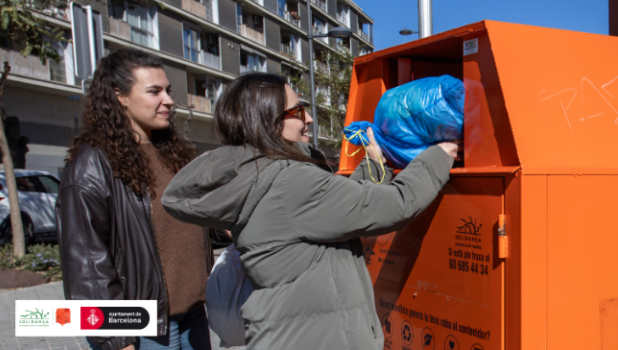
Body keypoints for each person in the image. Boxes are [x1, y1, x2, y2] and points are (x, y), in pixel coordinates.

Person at [161, 73, 458, 350]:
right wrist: (437, 156)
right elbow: (398, 204)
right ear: (269, 121)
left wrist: (372, 164)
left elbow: (334, 209)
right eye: (298, 110)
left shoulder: (259, 176)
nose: (310, 119)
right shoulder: (288, 180)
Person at [56, 49, 212, 350]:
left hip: (193, 317)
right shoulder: (91, 165)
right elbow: (87, 263)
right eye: (154, 91)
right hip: (143, 329)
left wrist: (223, 228)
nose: (167, 99)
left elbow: (186, 225)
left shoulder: (173, 153)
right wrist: (116, 339)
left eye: (168, 90)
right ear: (120, 96)